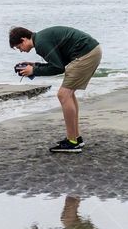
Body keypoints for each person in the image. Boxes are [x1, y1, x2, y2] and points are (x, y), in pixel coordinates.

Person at [9, 25, 102, 153]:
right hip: (91, 51)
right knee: (68, 94)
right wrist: (35, 66)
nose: (20, 50)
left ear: (24, 39)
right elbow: (59, 62)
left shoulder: (41, 43)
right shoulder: (41, 39)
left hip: (86, 54)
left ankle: (72, 142)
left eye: (19, 47)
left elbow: (58, 68)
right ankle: (75, 138)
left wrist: (33, 70)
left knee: (63, 95)